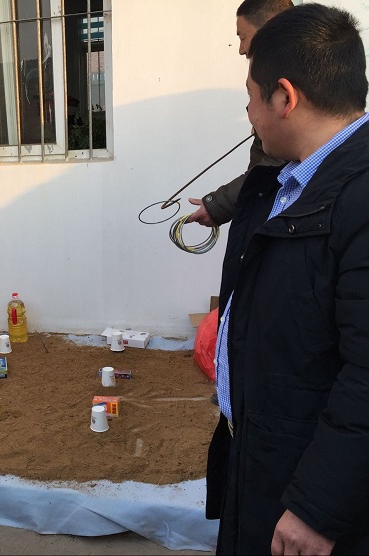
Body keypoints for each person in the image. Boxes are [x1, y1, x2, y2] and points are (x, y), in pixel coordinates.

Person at [206, 4, 369, 554]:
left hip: (311, 503)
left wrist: (317, 509)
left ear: (284, 97)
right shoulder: (285, 184)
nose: (249, 115)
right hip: (264, 463)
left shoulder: (359, 199)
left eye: (251, 98)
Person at [186, 0, 291, 227]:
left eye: (243, 37)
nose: (242, 49)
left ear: (287, 99)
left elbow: (278, 162)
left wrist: (218, 205)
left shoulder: (295, 72)